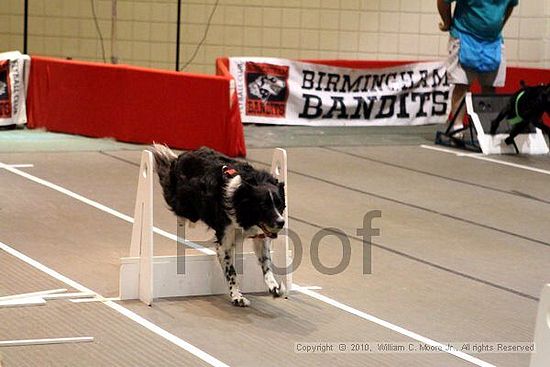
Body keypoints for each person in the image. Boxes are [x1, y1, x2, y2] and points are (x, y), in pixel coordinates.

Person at [437, 0, 518, 133]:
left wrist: (500, 25)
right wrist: (448, 23)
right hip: (464, 35)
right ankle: (457, 126)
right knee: (462, 84)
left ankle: (487, 126)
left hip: (493, 41)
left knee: (489, 86)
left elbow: (510, 5)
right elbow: (442, 1)